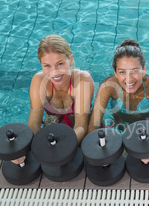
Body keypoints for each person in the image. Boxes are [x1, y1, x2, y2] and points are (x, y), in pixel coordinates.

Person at [11, 35, 95, 165]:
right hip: (53, 122)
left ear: (71, 60)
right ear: (41, 65)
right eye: (47, 66)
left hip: (80, 127)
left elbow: (81, 125)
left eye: (60, 64)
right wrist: (24, 150)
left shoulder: (82, 80)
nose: (54, 72)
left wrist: (61, 150)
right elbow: (34, 124)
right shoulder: (39, 81)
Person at [88, 39, 149, 163]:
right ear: (115, 73)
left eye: (135, 71)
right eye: (122, 72)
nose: (129, 78)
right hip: (121, 129)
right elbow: (93, 127)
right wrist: (103, 153)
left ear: (143, 70)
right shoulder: (108, 86)